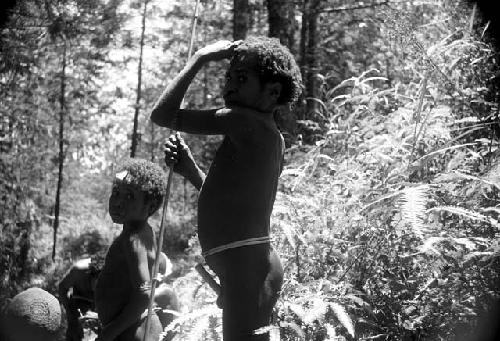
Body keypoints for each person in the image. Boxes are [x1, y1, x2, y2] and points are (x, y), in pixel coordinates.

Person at [151, 36, 302, 340]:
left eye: (242, 78)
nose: (230, 85)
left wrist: (200, 57)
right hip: (249, 266)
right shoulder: (270, 135)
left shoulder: (240, 119)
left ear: (272, 92)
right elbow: (233, 202)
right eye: (229, 77)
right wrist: (191, 170)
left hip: (247, 270)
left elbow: (162, 115)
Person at [94, 158, 170, 341]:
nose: (118, 202)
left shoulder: (133, 240)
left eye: (129, 196)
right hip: (137, 328)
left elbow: (144, 293)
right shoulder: (146, 232)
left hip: (133, 333)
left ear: (149, 207)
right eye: (116, 192)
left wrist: (109, 333)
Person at [58, 251, 177, 341]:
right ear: (92, 274)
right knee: (74, 334)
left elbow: (129, 310)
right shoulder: (78, 271)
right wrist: (72, 317)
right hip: (81, 301)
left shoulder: (121, 280)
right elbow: (62, 288)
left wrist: (100, 320)